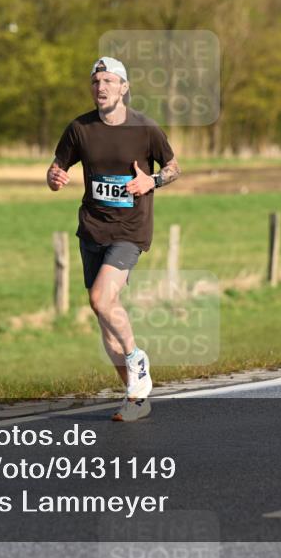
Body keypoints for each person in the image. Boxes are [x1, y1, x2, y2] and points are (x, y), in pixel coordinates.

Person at [47, 56, 181, 421]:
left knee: (100, 298)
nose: (100, 87)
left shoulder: (145, 129)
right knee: (104, 316)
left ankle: (137, 358)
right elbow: (56, 168)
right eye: (95, 81)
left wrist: (152, 181)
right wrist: (54, 177)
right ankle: (136, 397)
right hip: (92, 228)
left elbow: (173, 168)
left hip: (129, 230)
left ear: (124, 87)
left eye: (108, 81)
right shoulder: (79, 129)